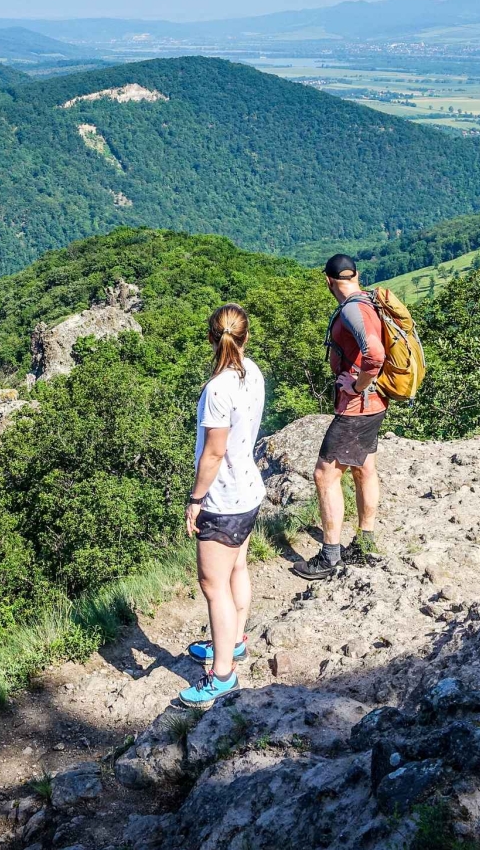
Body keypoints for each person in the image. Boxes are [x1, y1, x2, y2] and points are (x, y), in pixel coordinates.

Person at [178, 304, 266, 709]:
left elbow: (212, 454)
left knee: (214, 587)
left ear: (212, 338)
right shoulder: (254, 373)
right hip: (248, 491)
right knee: (237, 570)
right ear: (245, 337)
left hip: (223, 499)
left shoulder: (217, 389)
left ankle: (223, 676)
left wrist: (195, 501)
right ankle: (233, 643)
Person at [292, 253, 385, 579]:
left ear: (329, 281)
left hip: (357, 408)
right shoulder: (369, 301)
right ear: (356, 275)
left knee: (325, 475)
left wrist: (358, 385)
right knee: (364, 467)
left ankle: (330, 556)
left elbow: (375, 353)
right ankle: (365, 542)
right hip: (375, 405)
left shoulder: (351, 309)